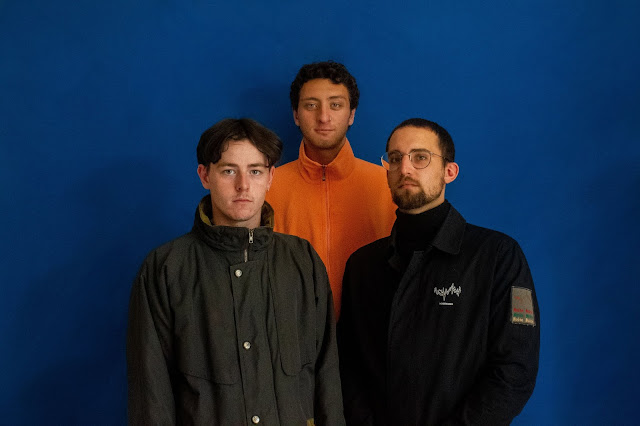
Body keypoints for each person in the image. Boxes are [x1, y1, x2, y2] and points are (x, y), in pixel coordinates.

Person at [127, 118, 344, 425]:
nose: (243, 185)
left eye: (255, 171)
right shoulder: (166, 269)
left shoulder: (303, 260)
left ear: (270, 177)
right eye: (229, 171)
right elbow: (151, 396)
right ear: (205, 175)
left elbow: (327, 377)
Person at [337, 118, 540, 425]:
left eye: (420, 157)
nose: (405, 168)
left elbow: (515, 369)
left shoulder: (497, 255)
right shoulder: (362, 265)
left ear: (449, 171)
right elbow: (348, 363)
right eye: (395, 158)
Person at [266, 61, 396, 317]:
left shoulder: (389, 185)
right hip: (291, 331)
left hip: (371, 331)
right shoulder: (266, 187)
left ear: (351, 114)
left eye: (335, 105)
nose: (323, 117)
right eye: (311, 105)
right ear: (296, 115)